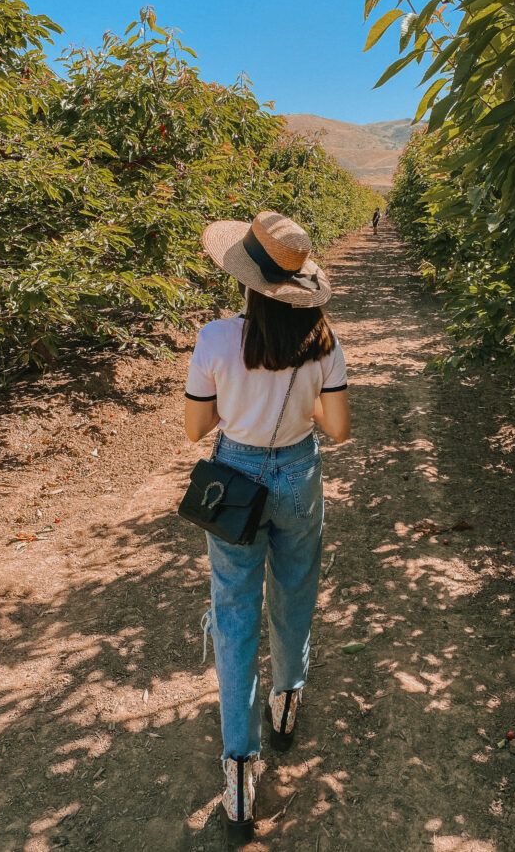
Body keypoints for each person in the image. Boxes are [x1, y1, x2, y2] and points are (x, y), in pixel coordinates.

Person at [183, 210, 351, 845]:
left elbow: (198, 430)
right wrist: (299, 396)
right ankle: (286, 699)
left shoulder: (216, 338)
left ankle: (239, 769)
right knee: (295, 591)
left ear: (246, 279)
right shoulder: (323, 340)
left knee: (233, 612)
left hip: (237, 481)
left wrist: (239, 402)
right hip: (298, 479)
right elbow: (338, 429)